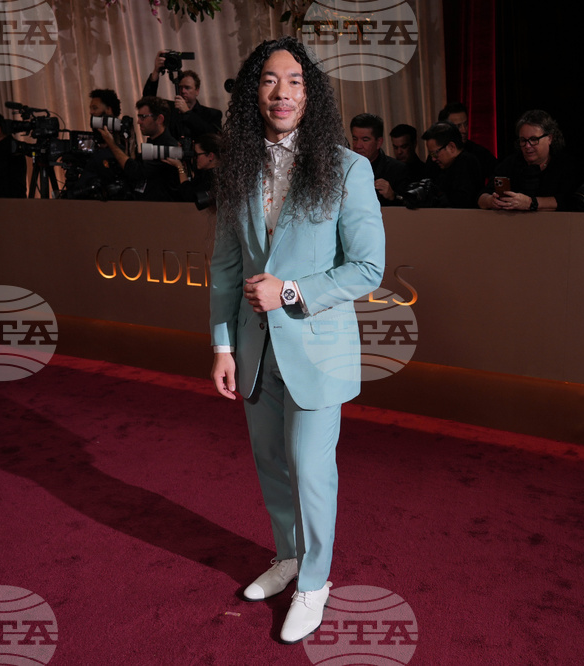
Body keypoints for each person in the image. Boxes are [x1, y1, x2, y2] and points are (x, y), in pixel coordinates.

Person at [210, 36, 384, 644]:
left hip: (317, 349)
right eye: (268, 81)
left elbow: (368, 268)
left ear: (311, 95)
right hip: (254, 350)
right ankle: (287, 556)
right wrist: (223, 346)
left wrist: (289, 291)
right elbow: (226, 267)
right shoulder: (238, 165)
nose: (281, 93)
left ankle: (314, 582)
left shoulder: (348, 168)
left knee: (311, 470)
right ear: (252, 93)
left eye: (295, 82)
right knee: (271, 464)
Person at [479, 110, 577, 212]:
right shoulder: (511, 163)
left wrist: (530, 203)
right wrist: (491, 201)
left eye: (534, 139)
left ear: (549, 138)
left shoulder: (564, 164)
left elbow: (568, 201)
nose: (527, 146)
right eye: (523, 140)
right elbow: (481, 197)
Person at [97, 96, 180, 202]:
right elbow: (135, 166)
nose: (138, 122)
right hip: (145, 206)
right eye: (139, 117)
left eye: (143, 117)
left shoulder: (168, 147)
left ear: (159, 119)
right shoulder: (152, 142)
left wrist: (112, 144)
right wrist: (130, 142)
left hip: (161, 208)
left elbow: (136, 172)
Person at [143, 53, 222, 142]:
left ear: (197, 90)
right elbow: (147, 101)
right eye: (180, 87)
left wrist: (187, 113)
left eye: (187, 88)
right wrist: (156, 72)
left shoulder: (212, 114)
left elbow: (213, 137)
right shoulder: (168, 109)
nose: (183, 91)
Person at [350, 113, 409, 205]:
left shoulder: (398, 170)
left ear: (379, 142)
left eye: (365, 140)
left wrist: (393, 196)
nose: (358, 145)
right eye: (355, 139)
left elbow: (410, 207)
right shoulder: (343, 168)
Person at [421, 121, 483, 208]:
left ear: (451, 147)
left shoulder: (467, 163)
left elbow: (462, 201)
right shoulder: (437, 165)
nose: (433, 159)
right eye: (431, 154)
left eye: (435, 153)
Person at [439, 101, 496, 178]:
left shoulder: (480, 153)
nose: (464, 130)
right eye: (458, 126)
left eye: (466, 124)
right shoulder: (437, 157)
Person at [166, 132, 220, 206]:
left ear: (210, 156)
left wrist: (180, 167)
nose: (194, 158)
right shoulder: (210, 173)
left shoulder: (213, 177)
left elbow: (191, 197)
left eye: (197, 155)